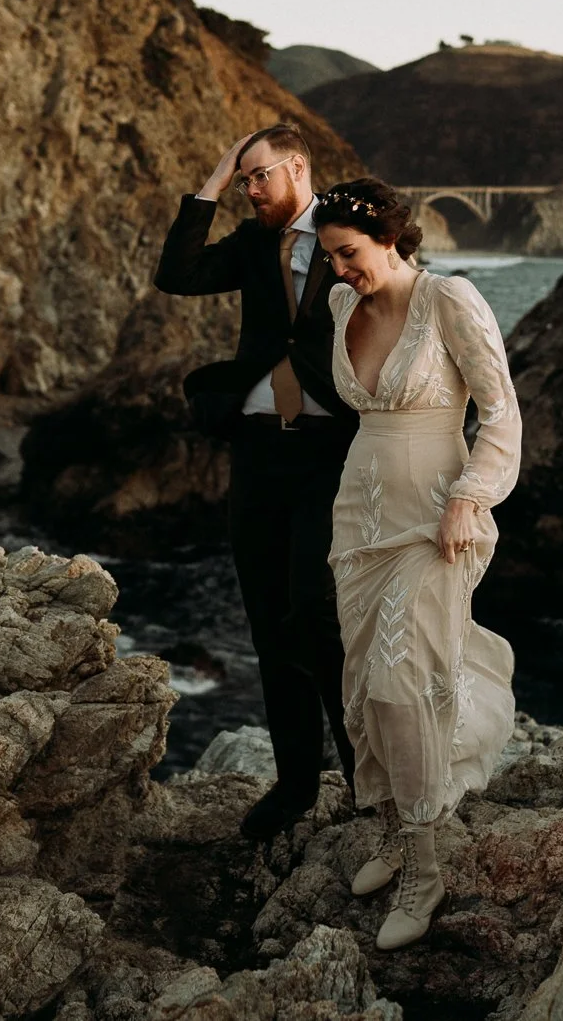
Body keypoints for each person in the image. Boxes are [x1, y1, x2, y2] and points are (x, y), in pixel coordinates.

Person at [314, 178, 520, 951]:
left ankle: (426, 867)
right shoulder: (342, 308)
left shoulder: (450, 300)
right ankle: (396, 829)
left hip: (438, 518)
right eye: (330, 256)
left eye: (350, 254)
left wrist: (471, 496)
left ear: (393, 237)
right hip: (358, 519)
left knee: (407, 680)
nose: (339, 270)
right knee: (368, 682)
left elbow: (501, 410)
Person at [155, 124, 359, 841]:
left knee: (318, 610)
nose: (251, 190)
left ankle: (367, 775)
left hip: (333, 452)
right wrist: (210, 181)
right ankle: (295, 785)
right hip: (255, 452)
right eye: (243, 180)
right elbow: (175, 273)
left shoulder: (347, 231)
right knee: (270, 619)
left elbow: (395, 296)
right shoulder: (248, 243)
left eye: (258, 176)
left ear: (297, 167)